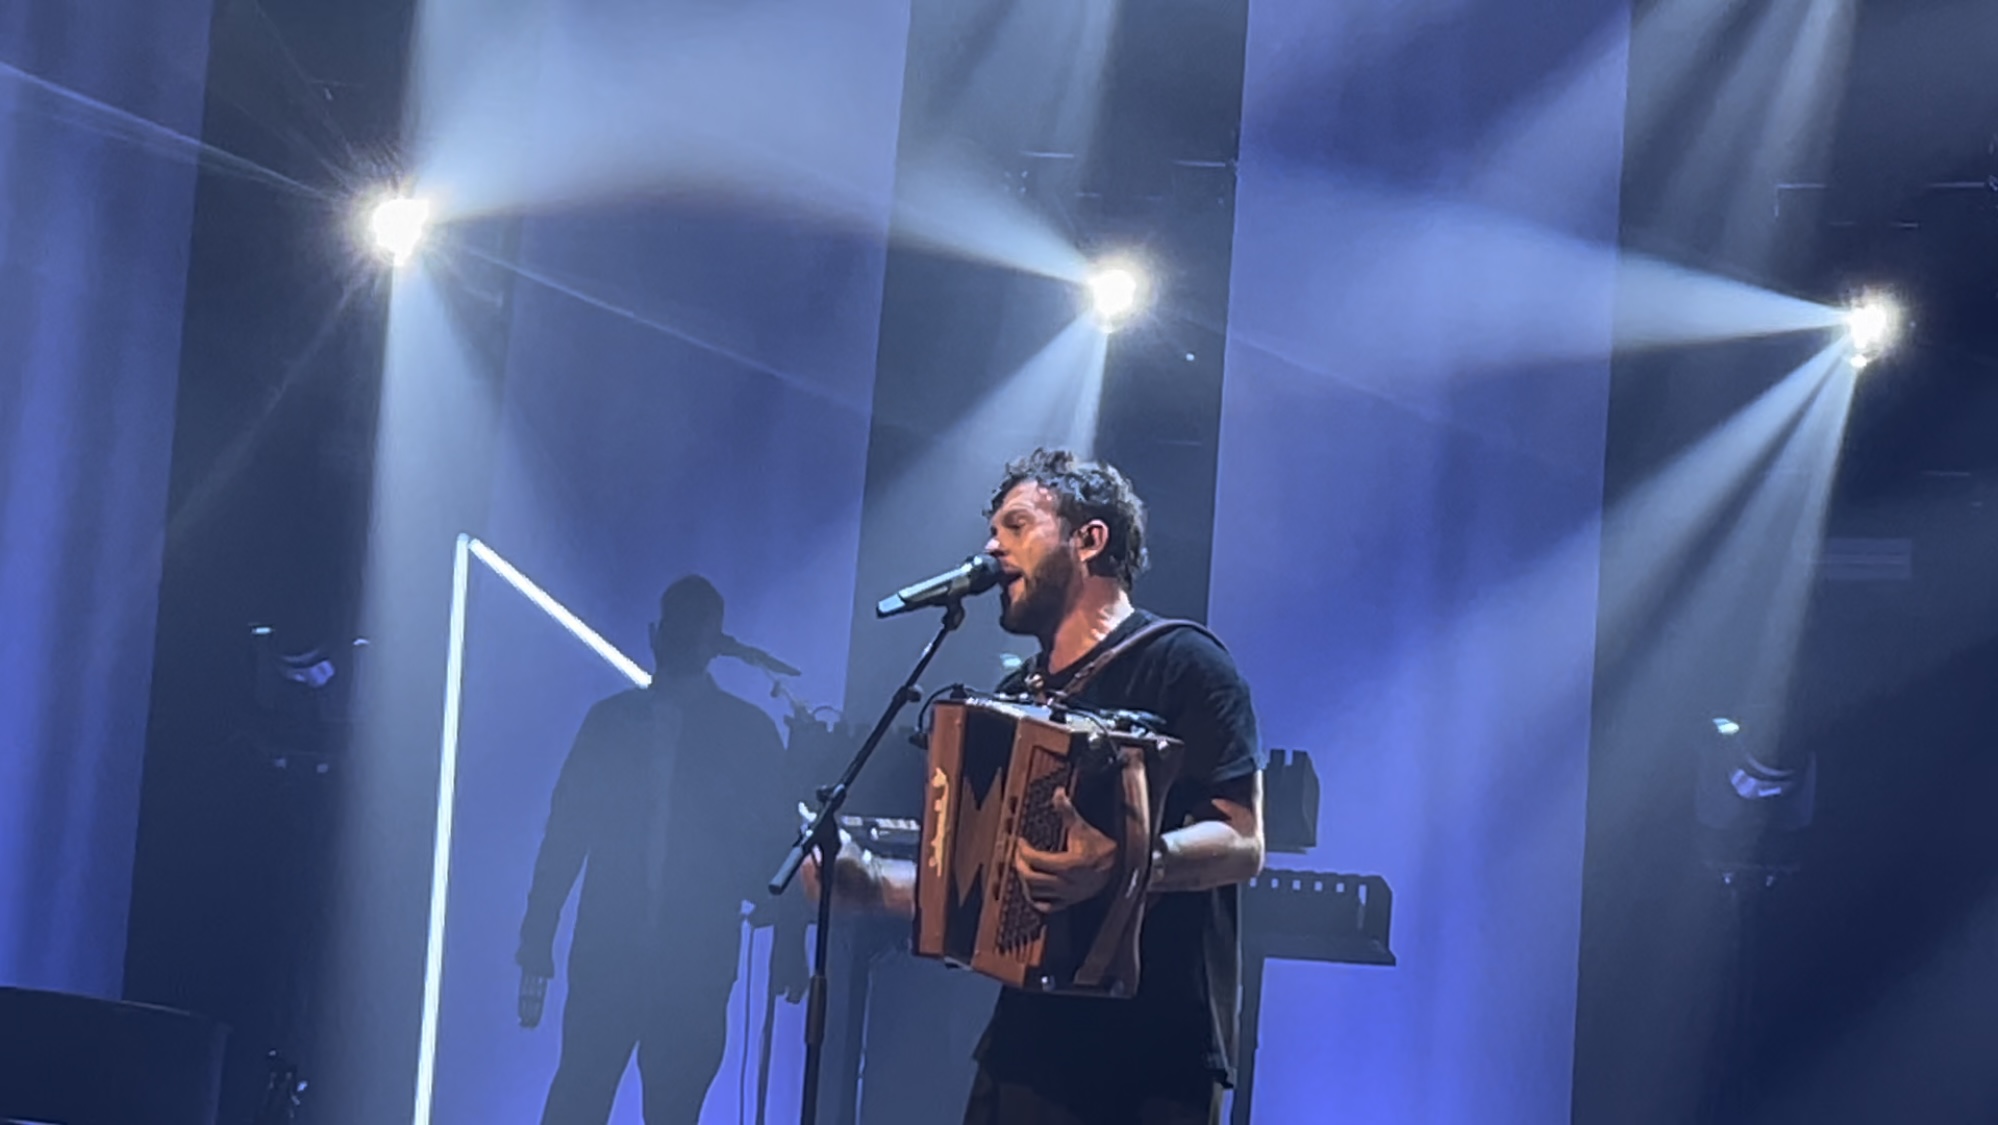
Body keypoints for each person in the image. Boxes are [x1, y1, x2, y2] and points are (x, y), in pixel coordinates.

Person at [810, 449, 1267, 1125]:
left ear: (1090, 539)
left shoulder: (1186, 663)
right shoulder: (1013, 698)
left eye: (1016, 525)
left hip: (1156, 1055)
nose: (992, 548)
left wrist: (1126, 863)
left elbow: (1244, 839)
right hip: (1027, 1048)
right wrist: (874, 883)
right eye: (993, 530)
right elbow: (992, 881)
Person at [518, 575, 808, 1125]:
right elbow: (566, 832)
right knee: (586, 1100)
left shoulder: (736, 732)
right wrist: (537, 935)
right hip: (627, 957)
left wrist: (791, 939)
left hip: (683, 964)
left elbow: (779, 843)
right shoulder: (726, 729)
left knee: (645, 1106)